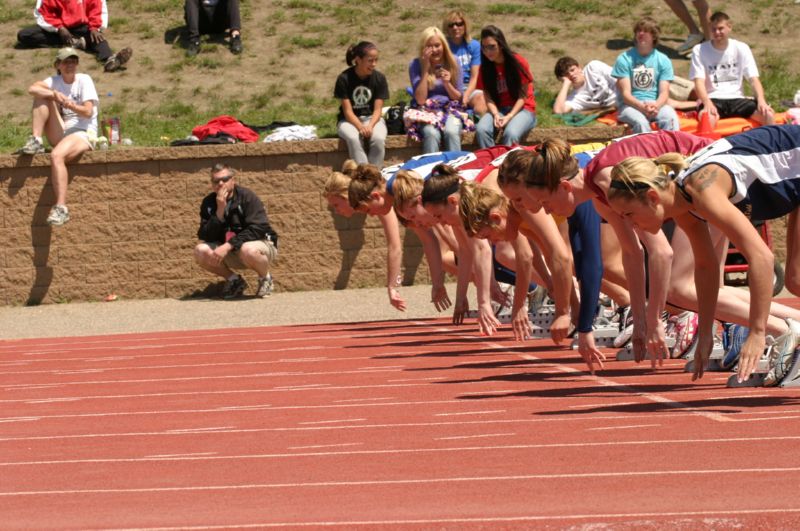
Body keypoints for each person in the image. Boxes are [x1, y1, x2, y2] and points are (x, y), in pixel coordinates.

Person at [607, 125, 800, 384]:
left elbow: (762, 258)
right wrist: (707, 331)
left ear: (653, 197)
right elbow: (706, 266)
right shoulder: (683, 204)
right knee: (797, 278)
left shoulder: (703, 191)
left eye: (629, 215)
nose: (630, 225)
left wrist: (757, 331)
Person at [17, 47, 99, 227]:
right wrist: (54, 94)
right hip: (63, 131)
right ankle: (36, 140)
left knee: (56, 156)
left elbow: (87, 112)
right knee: (41, 96)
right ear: (58, 65)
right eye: (66, 62)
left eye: (73, 61)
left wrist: (70, 105)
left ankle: (61, 208)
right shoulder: (54, 81)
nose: (70, 65)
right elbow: (32, 88)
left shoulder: (84, 80)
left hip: (82, 132)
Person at [194, 163, 278, 299]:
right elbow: (205, 235)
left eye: (225, 179)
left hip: (258, 246)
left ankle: (265, 278)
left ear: (233, 180)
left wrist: (228, 245)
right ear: (212, 184)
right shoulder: (209, 202)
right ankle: (234, 280)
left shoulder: (247, 197)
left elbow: (257, 228)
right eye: (216, 181)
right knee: (200, 251)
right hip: (230, 251)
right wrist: (219, 211)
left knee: (247, 249)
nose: (221, 184)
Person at [689, 11, 774, 128]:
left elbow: (754, 80)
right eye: (713, 29)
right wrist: (706, 102)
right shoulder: (699, 50)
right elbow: (699, 82)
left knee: (768, 114)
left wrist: (761, 100)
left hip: (737, 98)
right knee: (707, 119)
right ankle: (707, 145)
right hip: (713, 98)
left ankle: (775, 145)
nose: (717, 32)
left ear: (729, 27)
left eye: (720, 28)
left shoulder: (741, 48)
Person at [16, 0, 132, 72]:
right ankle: (77, 43)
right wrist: (59, 28)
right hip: (59, 29)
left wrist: (94, 28)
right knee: (25, 35)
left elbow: (97, 8)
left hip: (83, 27)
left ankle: (110, 60)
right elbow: (43, 12)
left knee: (97, 38)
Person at [611, 17, 679, 134]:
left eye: (645, 31)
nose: (641, 34)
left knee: (670, 118)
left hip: (655, 104)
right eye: (638, 31)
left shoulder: (663, 60)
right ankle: (645, 151)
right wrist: (642, 106)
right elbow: (626, 94)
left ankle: (672, 150)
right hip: (630, 106)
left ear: (654, 36)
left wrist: (656, 105)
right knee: (640, 123)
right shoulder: (624, 59)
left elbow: (664, 93)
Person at [407, 27, 469, 154]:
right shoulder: (415, 65)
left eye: (437, 45)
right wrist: (425, 69)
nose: (434, 50)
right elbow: (420, 99)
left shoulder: (454, 61)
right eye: (429, 47)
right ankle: (431, 169)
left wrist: (447, 83)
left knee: (451, 131)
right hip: (426, 110)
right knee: (431, 133)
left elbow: (458, 97)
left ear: (443, 45)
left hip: (451, 108)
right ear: (423, 48)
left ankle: (455, 168)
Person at [474, 25, 536, 148]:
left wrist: (510, 116)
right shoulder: (485, 67)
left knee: (510, 134)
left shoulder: (517, 61)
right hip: (500, 109)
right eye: (484, 48)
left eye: (492, 47)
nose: (488, 52)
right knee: (481, 130)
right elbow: (488, 96)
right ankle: (492, 163)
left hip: (523, 109)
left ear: (501, 45)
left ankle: (508, 166)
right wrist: (496, 114)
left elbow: (523, 96)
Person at [334, 41, 389, 167]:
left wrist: (369, 126)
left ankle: (375, 173)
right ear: (358, 60)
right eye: (370, 60)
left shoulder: (379, 78)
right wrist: (360, 127)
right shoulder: (344, 79)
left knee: (378, 139)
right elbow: (347, 112)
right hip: (348, 121)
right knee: (354, 139)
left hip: (373, 119)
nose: (374, 64)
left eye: (376, 60)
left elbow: (377, 110)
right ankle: (364, 173)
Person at [442, 10, 487, 116]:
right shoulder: (443, 47)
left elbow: (474, 77)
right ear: (446, 28)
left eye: (459, 24)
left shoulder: (474, 46)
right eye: (451, 25)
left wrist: (466, 96)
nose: (455, 28)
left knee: (482, 102)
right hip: (449, 87)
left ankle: (474, 123)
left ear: (465, 26)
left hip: (469, 87)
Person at [553, 57, 617, 115]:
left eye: (572, 70)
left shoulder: (593, 67)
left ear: (579, 68)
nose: (571, 74)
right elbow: (558, 111)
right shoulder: (574, 98)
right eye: (567, 74)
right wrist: (566, 84)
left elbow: (620, 79)